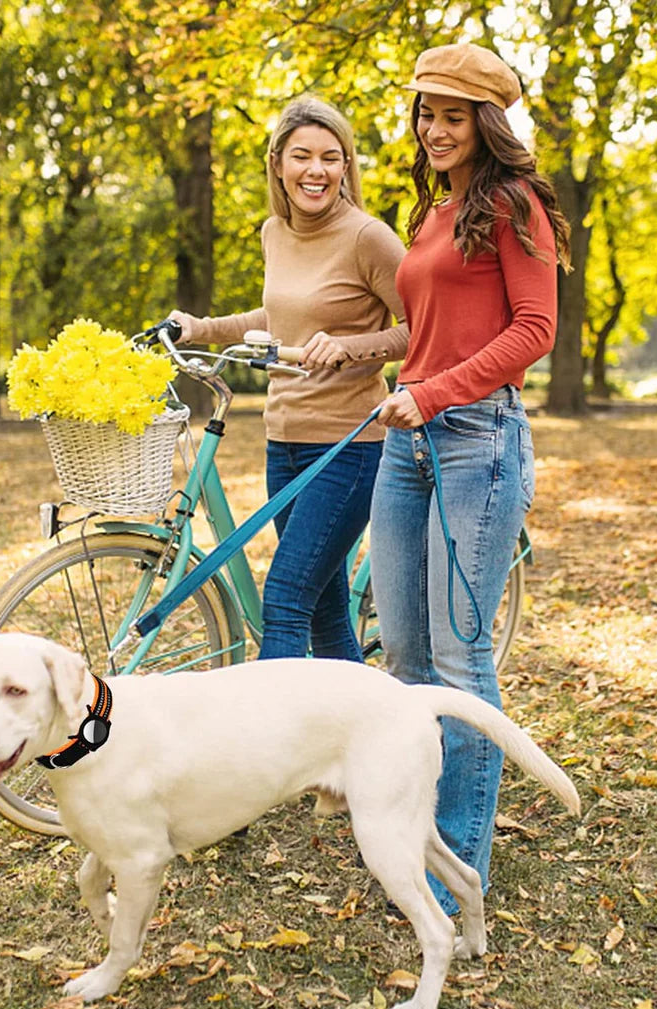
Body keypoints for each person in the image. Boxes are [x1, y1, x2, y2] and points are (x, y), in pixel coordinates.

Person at [368, 42, 571, 916]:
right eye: (427, 112)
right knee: (405, 657)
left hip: (477, 442)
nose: (435, 129)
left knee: (458, 658)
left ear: (487, 124)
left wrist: (434, 393)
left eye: (453, 115)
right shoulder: (432, 211)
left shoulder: (516, 203)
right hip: (407, 445)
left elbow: (534, 330)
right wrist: (387, 373)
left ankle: (459, 873)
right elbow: (429, 329)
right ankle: (414, 841)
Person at [169, 96, 408, 662]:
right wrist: (201, 328)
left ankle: (270, 722)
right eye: (302, 156)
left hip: (350, 446)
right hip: (284, 441)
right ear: (277, 163)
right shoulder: (274, 232)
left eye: (331, 157)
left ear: (346, 166)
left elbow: (423, 329)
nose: (316, 170)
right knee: (324, 607)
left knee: (285, 599)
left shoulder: (368, 238)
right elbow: (279, 316)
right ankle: (355, 714)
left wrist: (348, 348)